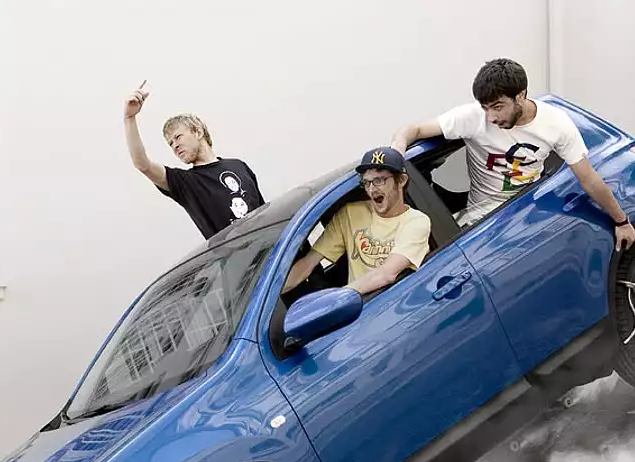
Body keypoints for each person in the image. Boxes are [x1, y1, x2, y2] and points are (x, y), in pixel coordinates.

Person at [389, 57, 635, 249]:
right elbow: (414, 129)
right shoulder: (472, 117)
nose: (491, 117)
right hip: (481, 223)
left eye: (498, 107)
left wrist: (622, 221)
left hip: (527, 216)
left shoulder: (556, 123)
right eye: (485, 108)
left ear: (521, 96)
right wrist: (396, 152)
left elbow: (588, 179)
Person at [281, 147, 432, 299]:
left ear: (401, 180)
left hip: (394, 305)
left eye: (378, 180)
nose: (371, 189)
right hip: (360, 307)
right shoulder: (350, 214)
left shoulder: (416, 222)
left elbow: (386, 274)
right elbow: (308, 263)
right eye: (366, 183)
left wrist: (333, 301)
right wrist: (274, 291)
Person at [123, 82, 266, 240]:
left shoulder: (239, 166)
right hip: (237, 255)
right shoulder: (185, 183)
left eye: (178, 137)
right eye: (170, 143)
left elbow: (265, 213)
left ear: (198, 132)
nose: (175, 145)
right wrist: (129, 118)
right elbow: (143, 164)